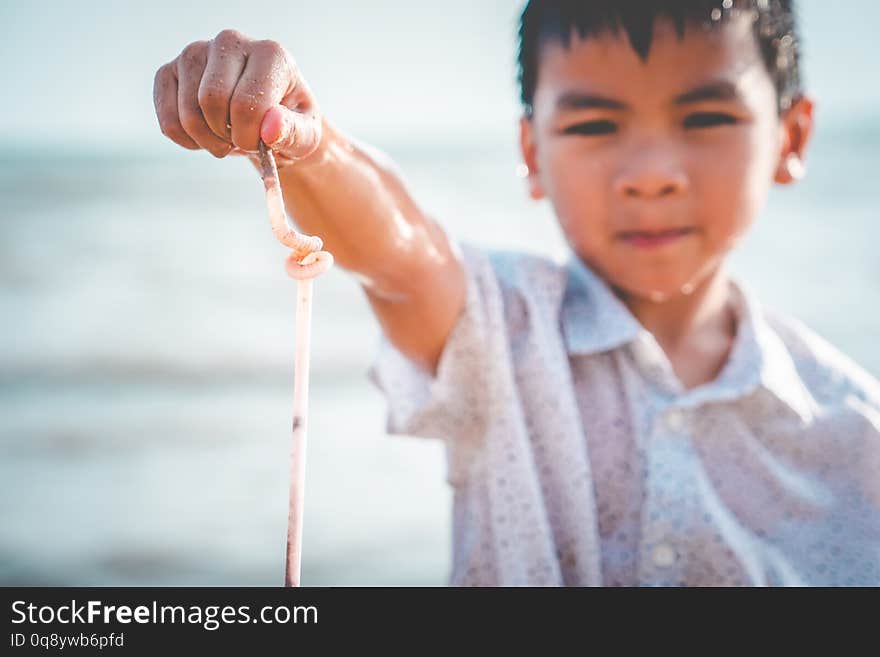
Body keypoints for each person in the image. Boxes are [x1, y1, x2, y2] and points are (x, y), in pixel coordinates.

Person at [153, 0, 880, 586]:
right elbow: (403, 251)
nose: (651, 173)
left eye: (706, 117)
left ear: (793, 134)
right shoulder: (500, 331)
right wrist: (310, 145)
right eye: (595, 123)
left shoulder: (858, 440)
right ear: (533, 153)